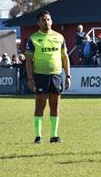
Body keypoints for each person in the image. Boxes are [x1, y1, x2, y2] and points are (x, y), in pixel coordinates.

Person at [25, 10, 71, 144]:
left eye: (48, 19)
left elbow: (65, 57)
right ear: (38, 23)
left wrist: (68, 75)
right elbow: (28, 60)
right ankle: (38, 136)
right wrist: (30, 79)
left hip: (56, 76)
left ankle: (54, 136)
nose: (46, 22)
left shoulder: (59, 37)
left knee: (55, 106)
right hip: (40, 76)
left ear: (52, 21)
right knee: (40, 106)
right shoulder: (33, 38)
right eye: (43, 20)